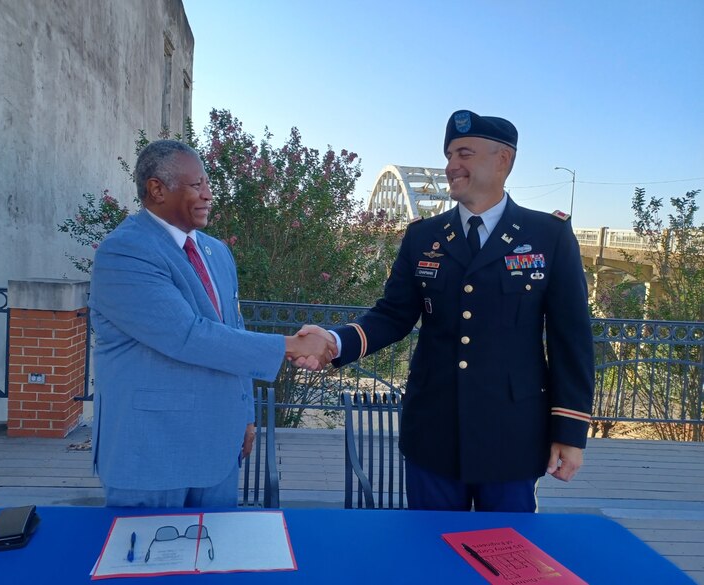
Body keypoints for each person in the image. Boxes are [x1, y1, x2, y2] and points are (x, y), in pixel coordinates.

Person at [300, 110, 595, 512]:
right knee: (430, 552)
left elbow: (571, 339)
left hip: (512, 433)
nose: (451, 166)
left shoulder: (548, 235)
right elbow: (392, 314)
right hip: (434, 430)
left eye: (464, 153)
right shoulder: (424, 236)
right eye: (449, 155)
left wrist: (570, 431)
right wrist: (334, 341)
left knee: (507, 557)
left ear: (503, 160)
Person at [89, 140, 334, 508]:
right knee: (147, 562)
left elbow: (231, 333)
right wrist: (290, 344)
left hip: (218, 446)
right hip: (152, 451)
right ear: (157, 189)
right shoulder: (124, 251)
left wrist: (246, 416)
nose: (208, 194)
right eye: (196, 185)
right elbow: (186, 335)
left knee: (214, 558)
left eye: (207, 184)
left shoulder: (216, 252)